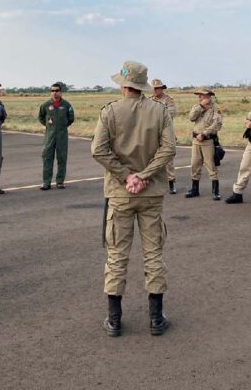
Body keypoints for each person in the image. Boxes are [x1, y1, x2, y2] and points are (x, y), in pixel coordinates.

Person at [91, 61, 176, 337]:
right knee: (153, 254)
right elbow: (168, 150)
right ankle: (155, 319)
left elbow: (99, 151)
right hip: (151, 193)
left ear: (123, 84)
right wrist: (146, 175)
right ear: (142, 85)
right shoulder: (160, 111)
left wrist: (126, 176)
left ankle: (114, 319)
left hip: (120, 193)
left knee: (116, 254)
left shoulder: (110, 112)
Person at [185, 88, 223, 200]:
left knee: (211, 165)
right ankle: (194, 189)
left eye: (201, 95)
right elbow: (191, 118)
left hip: (208, 141)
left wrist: (205, 134)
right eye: (199, 95)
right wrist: (201, 107)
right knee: (195, 164)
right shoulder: (197, 106)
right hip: (196, 141)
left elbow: (217, 124)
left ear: (208, 96)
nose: (199, 97)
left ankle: (216, 191)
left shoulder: (216, 108)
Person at [38, 82, 75, 190]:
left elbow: (71, 119)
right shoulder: (45, 105)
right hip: (49, 136)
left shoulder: (66, 105)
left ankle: (60, 181)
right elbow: (41, 117)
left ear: (61, 92)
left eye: (57, 91)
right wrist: (50, 127)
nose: (55, 93)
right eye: (53, 91)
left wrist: (62, 126)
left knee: (62, 158)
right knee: (47, 158)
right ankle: (46, 182)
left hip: (62, 136)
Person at [150, 79, 178, 194]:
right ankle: (154, 182)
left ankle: (171, 183)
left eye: (158, 88)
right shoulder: (148, 101)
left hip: (166, 133)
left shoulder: (168, 100)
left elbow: (170, 114)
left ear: (162, 88)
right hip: (152, 134)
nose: (156, 90)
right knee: (151, 158)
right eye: (154, 88)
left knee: (168, 159)